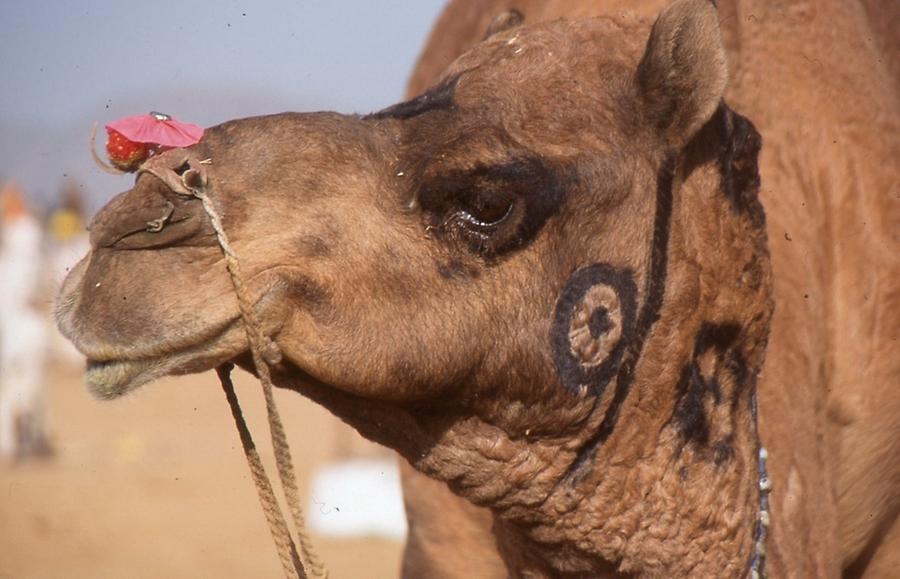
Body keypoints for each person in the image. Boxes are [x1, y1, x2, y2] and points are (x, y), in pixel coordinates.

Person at [0, 182, 52, 460]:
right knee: (23, 388)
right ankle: (20, 441)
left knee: (20, 387)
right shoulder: (22, 235)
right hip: (22, 327)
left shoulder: (15, 239)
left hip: (15, 328)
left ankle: (25, 440)